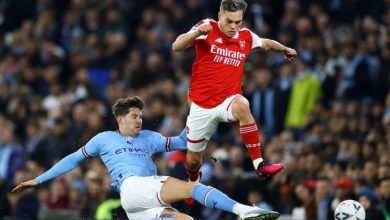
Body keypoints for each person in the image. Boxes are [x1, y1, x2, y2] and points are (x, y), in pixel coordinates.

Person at [10, 96, 280, 220]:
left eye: (141, 115)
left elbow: (184, 141)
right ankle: (244, 211)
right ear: (120, 119)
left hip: (136, 208)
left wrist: (202, 117)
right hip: (133, 187)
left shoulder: (149, 136)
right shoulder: (103, 138)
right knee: (193, 188)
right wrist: (39, 179)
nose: (140, 119)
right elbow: (72, 160)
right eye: (134, 116)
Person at [172, 0, 297, 190]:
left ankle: (260, 166)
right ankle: (192, 179)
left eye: (238, 22)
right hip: (202, 105)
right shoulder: (208, 27)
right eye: (229, 21)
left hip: (228, 100)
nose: (233, 27)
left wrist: (284, 49)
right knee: (193, 160)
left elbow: (265, 44)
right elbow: (177, 46)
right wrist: (197, 32)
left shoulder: (245, 36)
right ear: (220, 15)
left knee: (242, 106)